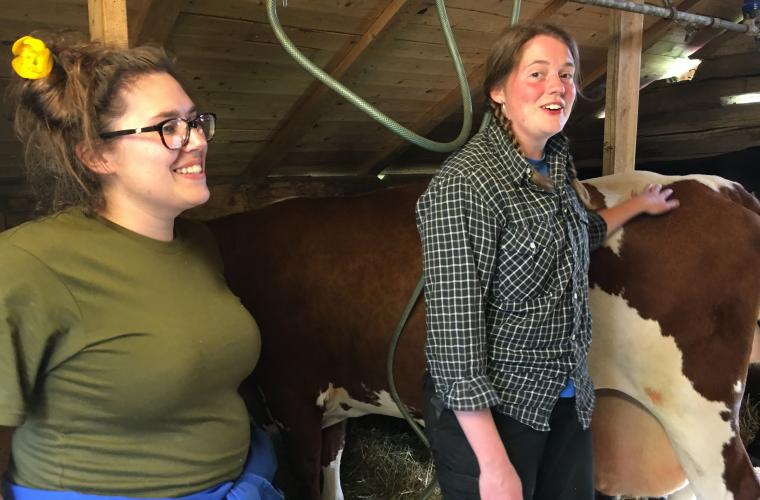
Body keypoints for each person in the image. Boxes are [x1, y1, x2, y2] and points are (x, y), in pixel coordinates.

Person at [0, 33, 282, 500]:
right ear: (96, 154)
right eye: (167, 127)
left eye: (195, 121)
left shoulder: (198, 243)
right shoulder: (25, 264)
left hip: (247, 480)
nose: (196, 141)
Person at [416, 22, 679, 500]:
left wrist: (638, 205)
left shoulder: (554, 162)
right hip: (497, 416)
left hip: (565, 396)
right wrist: (494, 467)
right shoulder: (465, 187)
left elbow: (575, 236)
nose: (557, 86)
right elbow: (455, 346)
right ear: (498, 91)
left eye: (566, 74)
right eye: (537, 73)